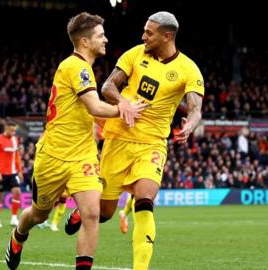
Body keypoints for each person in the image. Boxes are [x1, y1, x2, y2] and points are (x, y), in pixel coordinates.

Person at [4, 12, 146, 270]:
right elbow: (94, 106)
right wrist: (124, 109)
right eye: (101, 35)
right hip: (53, 157)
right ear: (84, 41)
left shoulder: (84, 68)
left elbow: (89, 111)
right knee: (38, 214)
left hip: (82, 157)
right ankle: (18, 236)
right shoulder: (75, 67)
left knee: (92, 214)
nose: (106, 39)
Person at [64, 11, 204, 270]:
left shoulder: (188, 69)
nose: (143, 36)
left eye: (149, 33)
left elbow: (196, 108)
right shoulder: (134, 54)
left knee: (145, 202)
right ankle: (79, 213)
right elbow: (107, 87)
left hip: (153, 144)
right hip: (118, 138)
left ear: (167, 36)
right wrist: (123, 103)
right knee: (104, 213)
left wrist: (189, 126)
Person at [0, 120, 23, 228]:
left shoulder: (15, 140)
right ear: (6, 128)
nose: (14, 133)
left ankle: (14, 218)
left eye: (15, 131)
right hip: (1, 173)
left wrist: (20, 171)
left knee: (17, 192)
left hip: (12, 172)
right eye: (12, 130)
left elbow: (17, 156)